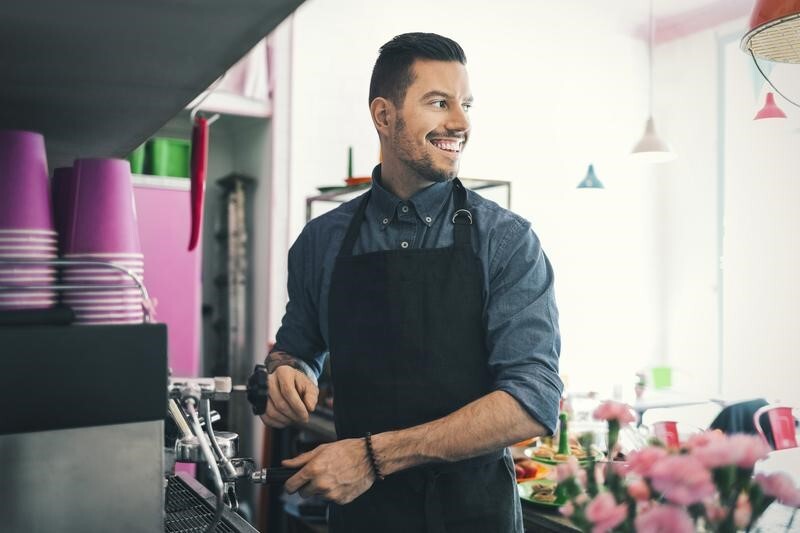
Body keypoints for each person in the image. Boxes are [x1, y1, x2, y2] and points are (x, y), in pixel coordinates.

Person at [260, 32, 562, 533]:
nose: (461, 123)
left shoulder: (507, 241)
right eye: (439, 103)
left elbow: (533, 400)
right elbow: (296, 348)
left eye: (465, 104)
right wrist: (287, 375)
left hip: (475, 515)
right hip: (363, 518)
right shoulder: (321, 242)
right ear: (384, 115)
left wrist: (373, 456)